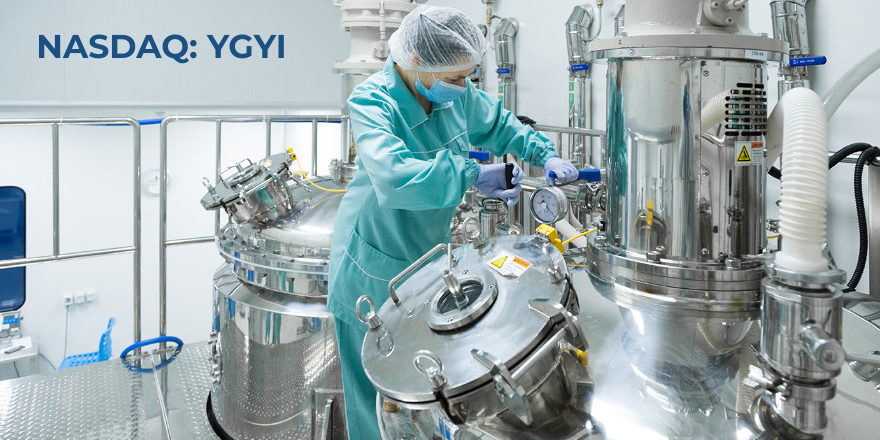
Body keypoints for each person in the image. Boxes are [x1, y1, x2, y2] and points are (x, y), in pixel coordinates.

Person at [327, 5, 579, 438]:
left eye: (468, 76)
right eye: (456, 77)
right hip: (372, 264)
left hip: (425, 259)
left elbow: (500, 125)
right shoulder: (372, 101)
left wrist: (544, 153)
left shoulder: (455, 94)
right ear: (417, 60)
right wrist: (471, 175)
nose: (464, 86)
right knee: (377, 395)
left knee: (422, 386)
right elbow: (394, 178)